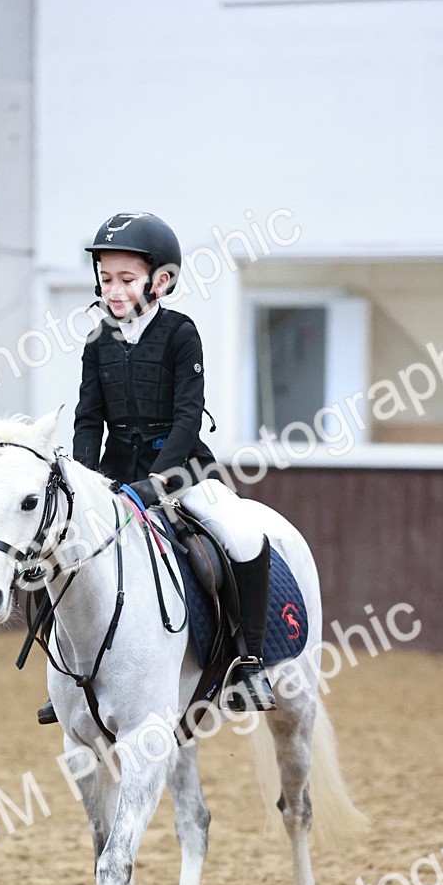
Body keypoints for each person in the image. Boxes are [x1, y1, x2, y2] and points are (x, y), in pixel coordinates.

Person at [37, 211, 275, 724]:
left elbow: (189, 418)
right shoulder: (97, 341)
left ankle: (248, 662)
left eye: (126, 279)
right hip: (114, 475)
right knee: (57, 545)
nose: (114, 289)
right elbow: (87, 419)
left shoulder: (180, 334)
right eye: (106, 279)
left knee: (241, 537)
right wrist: (85, 482)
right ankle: (69, 677)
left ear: (160, 280)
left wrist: (157, 481)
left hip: (182, 471)